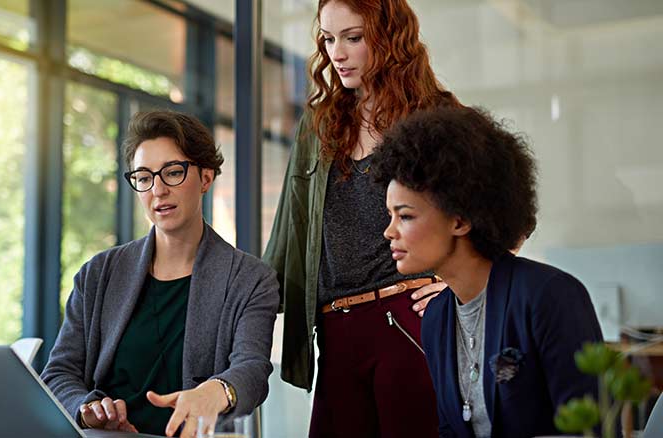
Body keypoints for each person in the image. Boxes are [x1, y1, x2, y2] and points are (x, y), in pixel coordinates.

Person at [263, 0, 459, 436]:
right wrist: (235, 304)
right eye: (329, 39)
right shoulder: (318, 126)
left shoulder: (436, 117)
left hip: (410, 325)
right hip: (335, 333)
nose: (338, 53)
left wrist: (454, 284)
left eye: (353, 37)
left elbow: (507, 219)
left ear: (390, 37)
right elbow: (286, 236)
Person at [41, 110, 280, 438]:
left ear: (206, 178)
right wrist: (87, 410)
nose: (158, 190)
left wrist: (218, 391)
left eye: (172, 172)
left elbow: (251, 370)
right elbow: (59, 373)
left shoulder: (250, 279)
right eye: (144, 177)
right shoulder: (98, 274)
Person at [373, 106, 603, 438]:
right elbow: (450, 430)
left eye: (405, 216)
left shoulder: (550, 296)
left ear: (460, 220)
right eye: (390, 215)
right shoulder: (437, 318)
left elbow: (587, 430)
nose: (389, 232)